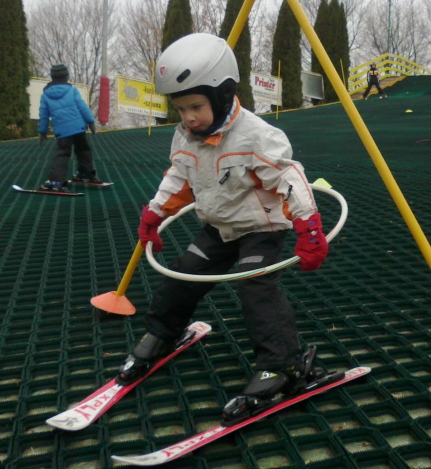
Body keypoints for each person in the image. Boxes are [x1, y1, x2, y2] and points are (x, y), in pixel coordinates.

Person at [116, 33, 329, 422]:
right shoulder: (186, 137)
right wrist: (155, 213)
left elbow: (289, 179)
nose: (188, 117)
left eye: (195, 106)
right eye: (180, 109)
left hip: (260, 228)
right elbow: (178, 180)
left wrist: (309, 227)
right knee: (183, 275)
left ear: (222, 95)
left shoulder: (255, 136)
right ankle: (163, 333)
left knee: (254, 284)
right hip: (218, 227)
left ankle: (284, 365)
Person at [37, 64, 102, 192]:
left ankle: (55, 182)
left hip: (63, 131)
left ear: (52, 77)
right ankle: (86, 173)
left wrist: (42, 131)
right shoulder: (72, 90)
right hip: (79, 127)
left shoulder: (45, 96)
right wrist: (91, 122)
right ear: (66, 76)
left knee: (62, 154)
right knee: (83, 150)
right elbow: (82, 107)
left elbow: (43, 115)